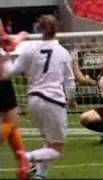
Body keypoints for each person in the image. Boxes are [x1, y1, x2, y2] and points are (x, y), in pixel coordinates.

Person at [1, 15, 76, 179]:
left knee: (49, 140)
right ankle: (27, 158)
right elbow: (69, 81)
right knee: (56, 150)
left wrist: (5, 56)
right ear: (57, 29)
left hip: (33, 101)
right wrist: (71, 99)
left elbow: (8, 73)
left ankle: (41, 175)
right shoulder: (63, 52)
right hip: (53, 101)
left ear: (39, 28)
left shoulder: (30, 49)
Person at [0, 20, 29, 180]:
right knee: (10, 123)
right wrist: (21, 36)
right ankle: (24, 162)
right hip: (2, 82)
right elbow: (8, 45)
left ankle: (23, 163)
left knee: (11, 125)